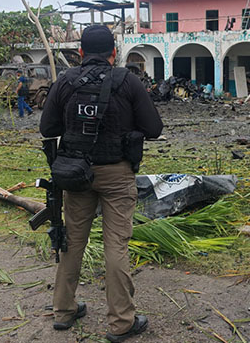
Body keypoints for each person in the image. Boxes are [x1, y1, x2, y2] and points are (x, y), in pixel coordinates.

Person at [40, 24, 163, 342]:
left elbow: (47, 128)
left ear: (80, 52)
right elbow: (154, 128)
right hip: (117, 175)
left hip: (76, 175)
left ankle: (63, 311)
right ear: (114, 53)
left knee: (72, 242)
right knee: (116, 246)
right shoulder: (128, 81)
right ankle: (121, 322)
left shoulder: (65, 81)